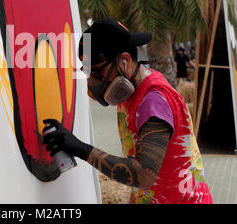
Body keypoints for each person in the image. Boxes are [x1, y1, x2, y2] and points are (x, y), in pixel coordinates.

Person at [43, 18, 212, 204]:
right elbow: (140, 172)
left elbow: (144, 175)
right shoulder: (130, 93)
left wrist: (81, 149)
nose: (93, 83)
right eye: (88, 72)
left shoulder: (154, 101)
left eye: (97, 72)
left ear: (124, 61)